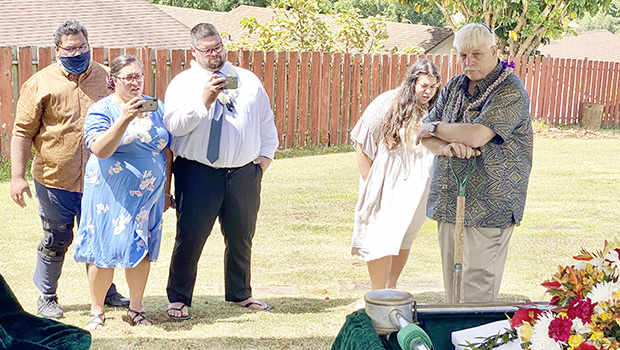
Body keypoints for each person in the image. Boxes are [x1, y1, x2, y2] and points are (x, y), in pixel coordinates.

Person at [10, 20, 129, 319]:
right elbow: (22, 132)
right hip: (54, 179)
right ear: (57, 50)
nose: (77, 53)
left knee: (102, 236)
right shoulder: (39, 83)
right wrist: (16, 177)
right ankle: (47, 295)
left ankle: (106, 292)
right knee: (56, 238)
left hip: (103, 178)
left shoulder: (108, 78)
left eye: (82, 47)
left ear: (90, 45)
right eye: (70, 48)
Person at [163, 22, 279, 321]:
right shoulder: (183, 83)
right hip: (198, 171)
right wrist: (204, 99)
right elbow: (174, 128)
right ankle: (178, 298)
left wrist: (265, 157)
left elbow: (266, 120)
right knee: (190, 237)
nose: (215, 54)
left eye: (218, 48)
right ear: (194, 51)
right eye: (207, 50)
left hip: (243, 172)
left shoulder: (248, 80)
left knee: (241, 235)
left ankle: (240, 293)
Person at [414, 23, 533, 303]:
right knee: (453, 292)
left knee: (476, 292)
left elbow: (477, 134)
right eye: (463, 55)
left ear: (494, 52)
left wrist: (435, 128)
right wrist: (447, 146)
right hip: (449, 201)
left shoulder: (510, 90)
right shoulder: (455, 86)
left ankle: (474, 347)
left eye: (476, 55)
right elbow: (423, 135)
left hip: (489, 206)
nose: (468, 62)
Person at [72, 54, 173, 329]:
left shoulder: (156, 106)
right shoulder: (102, 109)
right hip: (110, 194)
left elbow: (167, 147)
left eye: (139, 76)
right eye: (128, 77)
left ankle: (136, 309)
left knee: (141, 248)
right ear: (113, 80)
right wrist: (125, 119)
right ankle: (96, 310)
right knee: (104, 248)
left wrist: (166, 189)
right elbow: (100, 149)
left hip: (147, 195)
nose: (135, 82)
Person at [350, 59, 441, 291]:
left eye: (433, 86)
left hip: (419, 183)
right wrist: (369, 181)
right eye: (424, 85)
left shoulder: (435, 108)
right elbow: (363, 142)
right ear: (413, 82)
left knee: (404, 235)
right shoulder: (389, 102)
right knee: (382, 237)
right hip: (386, 180)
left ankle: (391, 288)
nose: (428, 91)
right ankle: (377, 292)